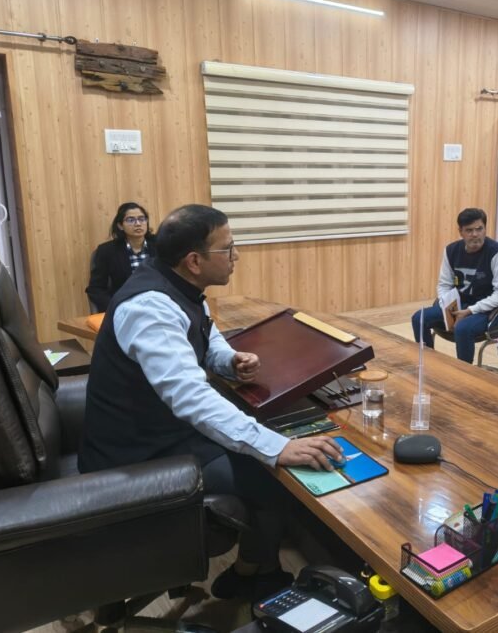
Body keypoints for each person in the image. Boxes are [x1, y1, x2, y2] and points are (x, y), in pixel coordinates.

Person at [78, 204, 345, 601]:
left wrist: (229, 361)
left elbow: (206, 335)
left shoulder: (176, 284)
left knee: (261, 443)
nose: (237, 256)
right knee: (272, 474)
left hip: (159, 432)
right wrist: (278, 448)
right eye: (228, 248)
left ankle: (255, 568)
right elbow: (192, 399)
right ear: (194, 261)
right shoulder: (149, 308)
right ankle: (252, 576)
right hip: (136, 456)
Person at [411, 208, 498, 364]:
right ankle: (428, 365)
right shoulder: (451, 250)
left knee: (463, 328)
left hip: (488, 310)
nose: (475, 234)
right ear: (461, 232)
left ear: (485, 229)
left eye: (479, 229)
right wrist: (448, 309)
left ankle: (464, 373)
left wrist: (470, 310)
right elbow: (444, 285)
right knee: (419, 318)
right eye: (469, 230)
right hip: (459, 305)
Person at [86, 202, 157, 312]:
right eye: (131, 220)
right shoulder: (107, 251)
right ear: (120, 225)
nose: (138, 224)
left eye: (142, 219)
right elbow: (96, 289)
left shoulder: (161, 245)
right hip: (126, 307)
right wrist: (116, 308)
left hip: (158, 304)